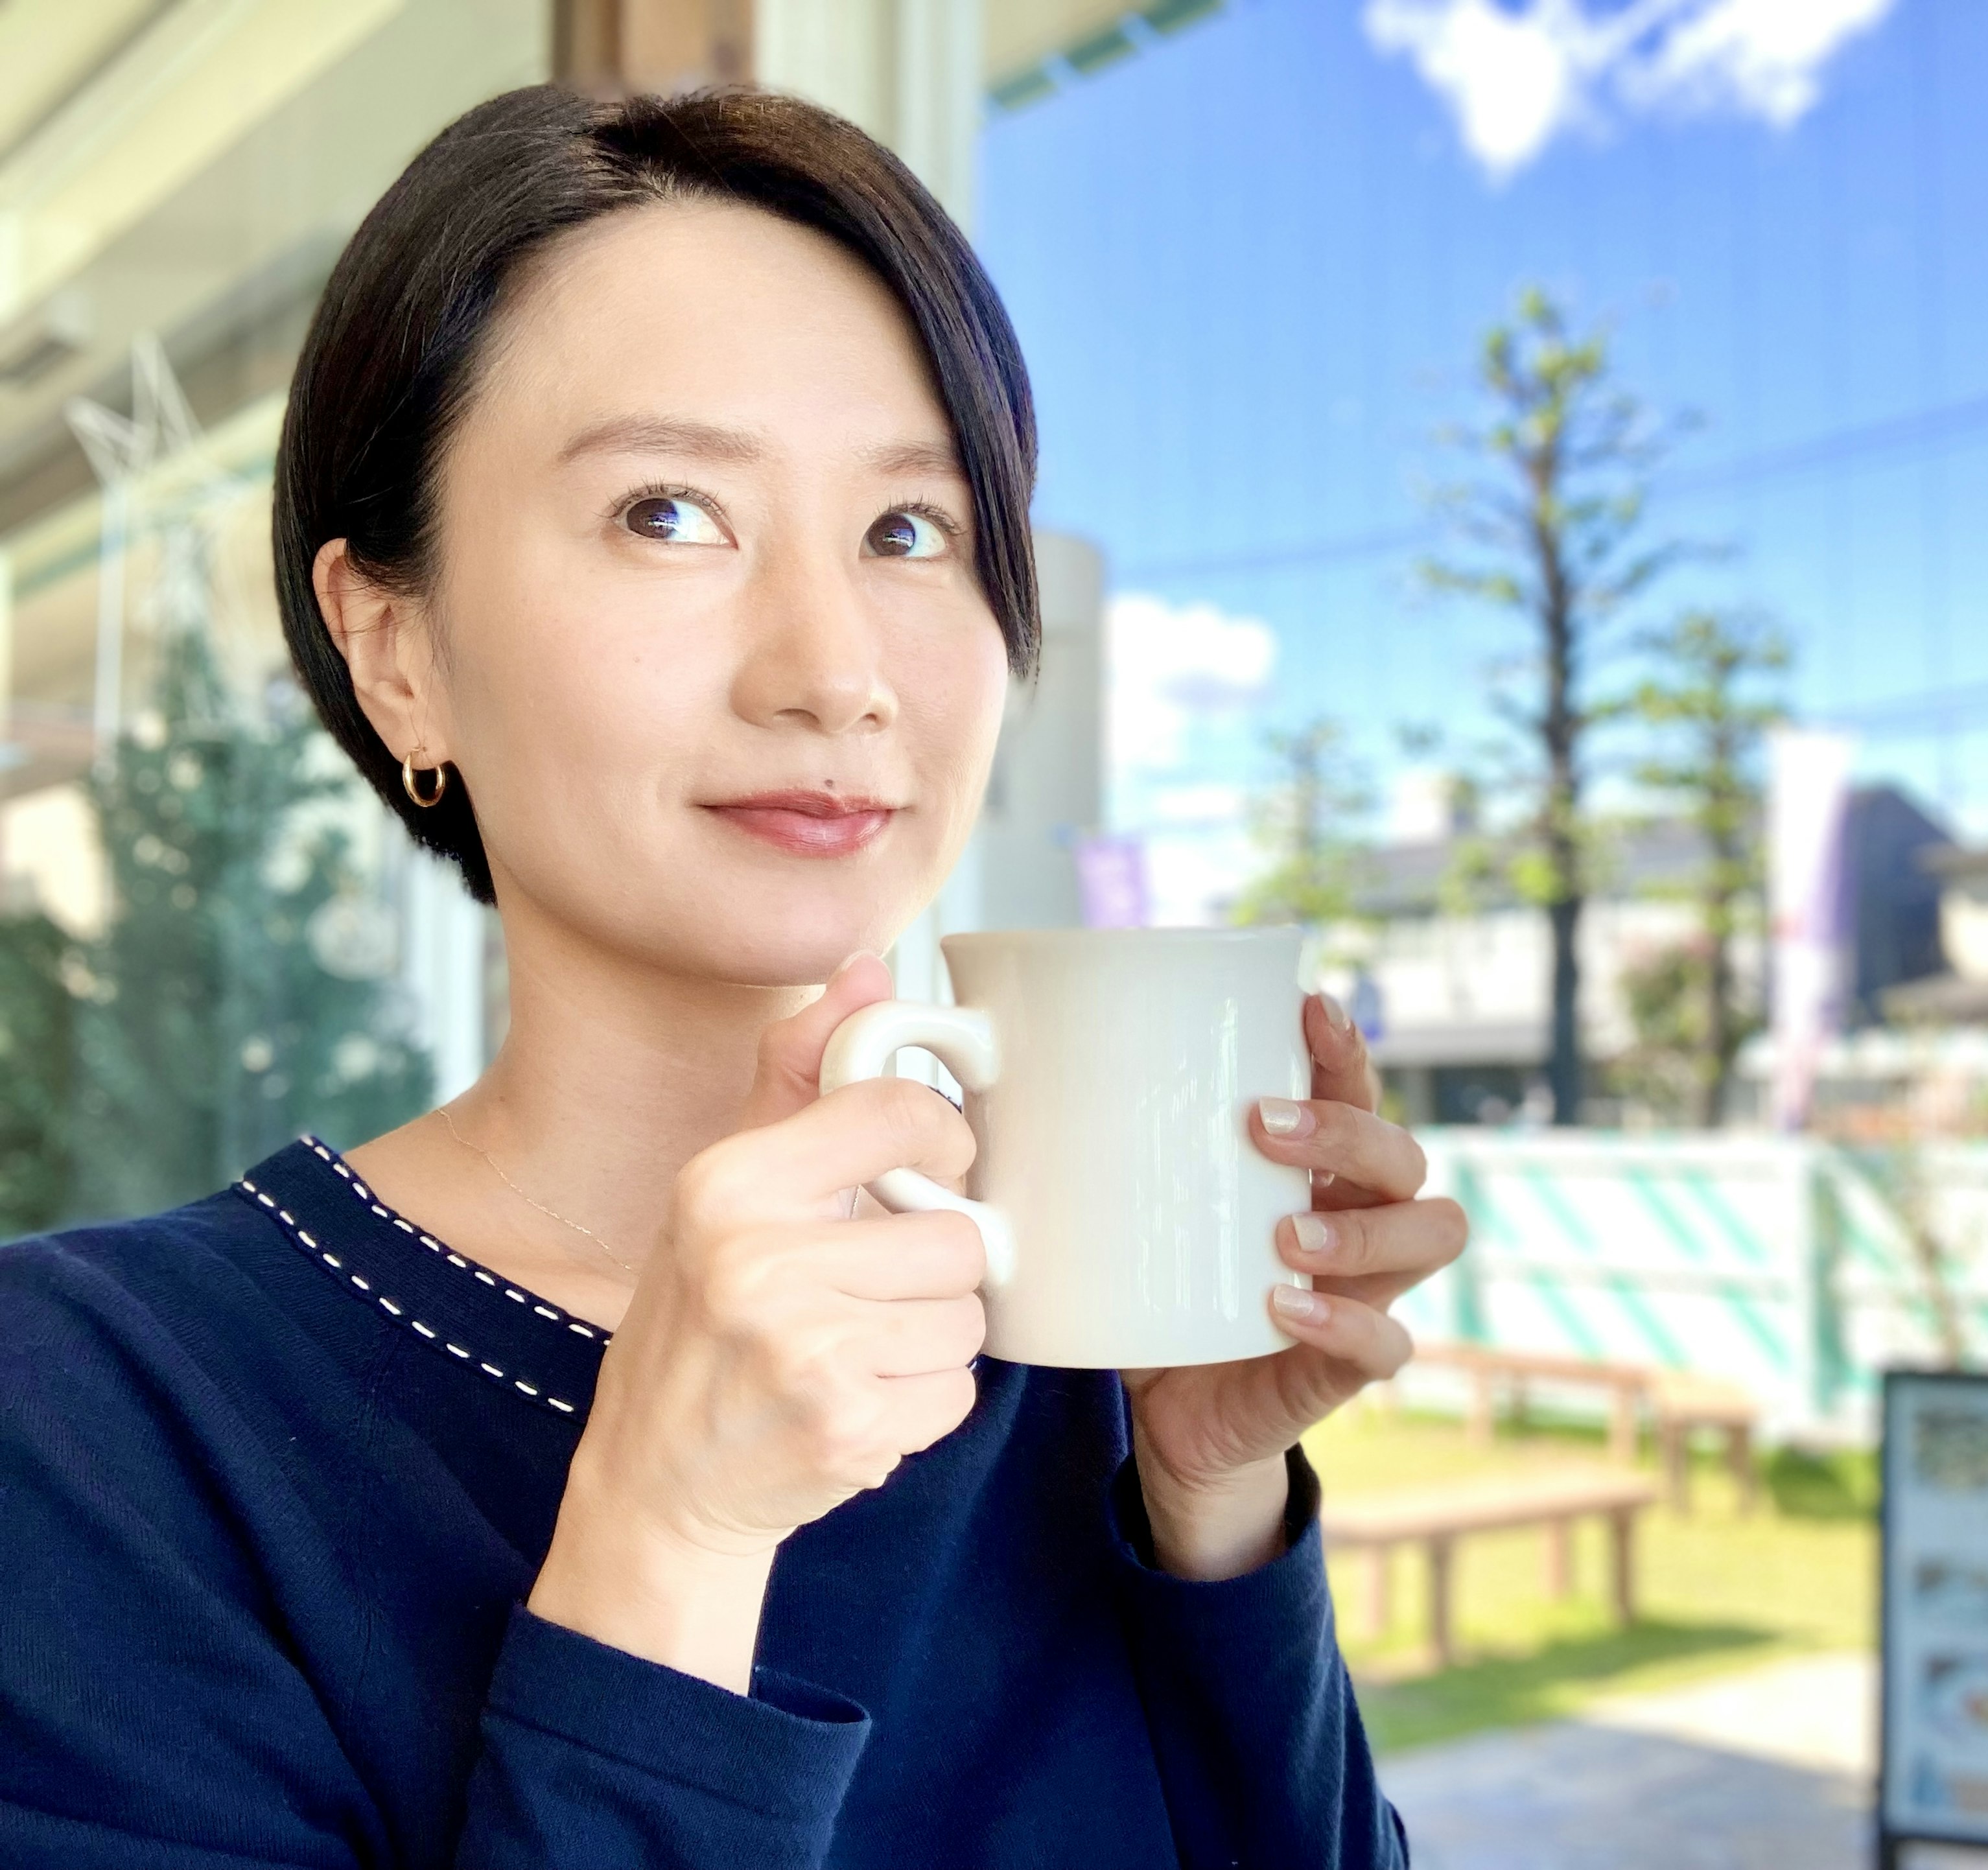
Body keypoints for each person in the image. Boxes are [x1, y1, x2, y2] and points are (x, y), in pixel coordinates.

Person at [0, 86, 1466, 1867]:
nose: (836, 670)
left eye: (910, 532)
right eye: (669, 513)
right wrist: (667, 1543)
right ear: (397, 652)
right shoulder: (86, 1420)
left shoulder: (1074, 1349)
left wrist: (1213, 1510)